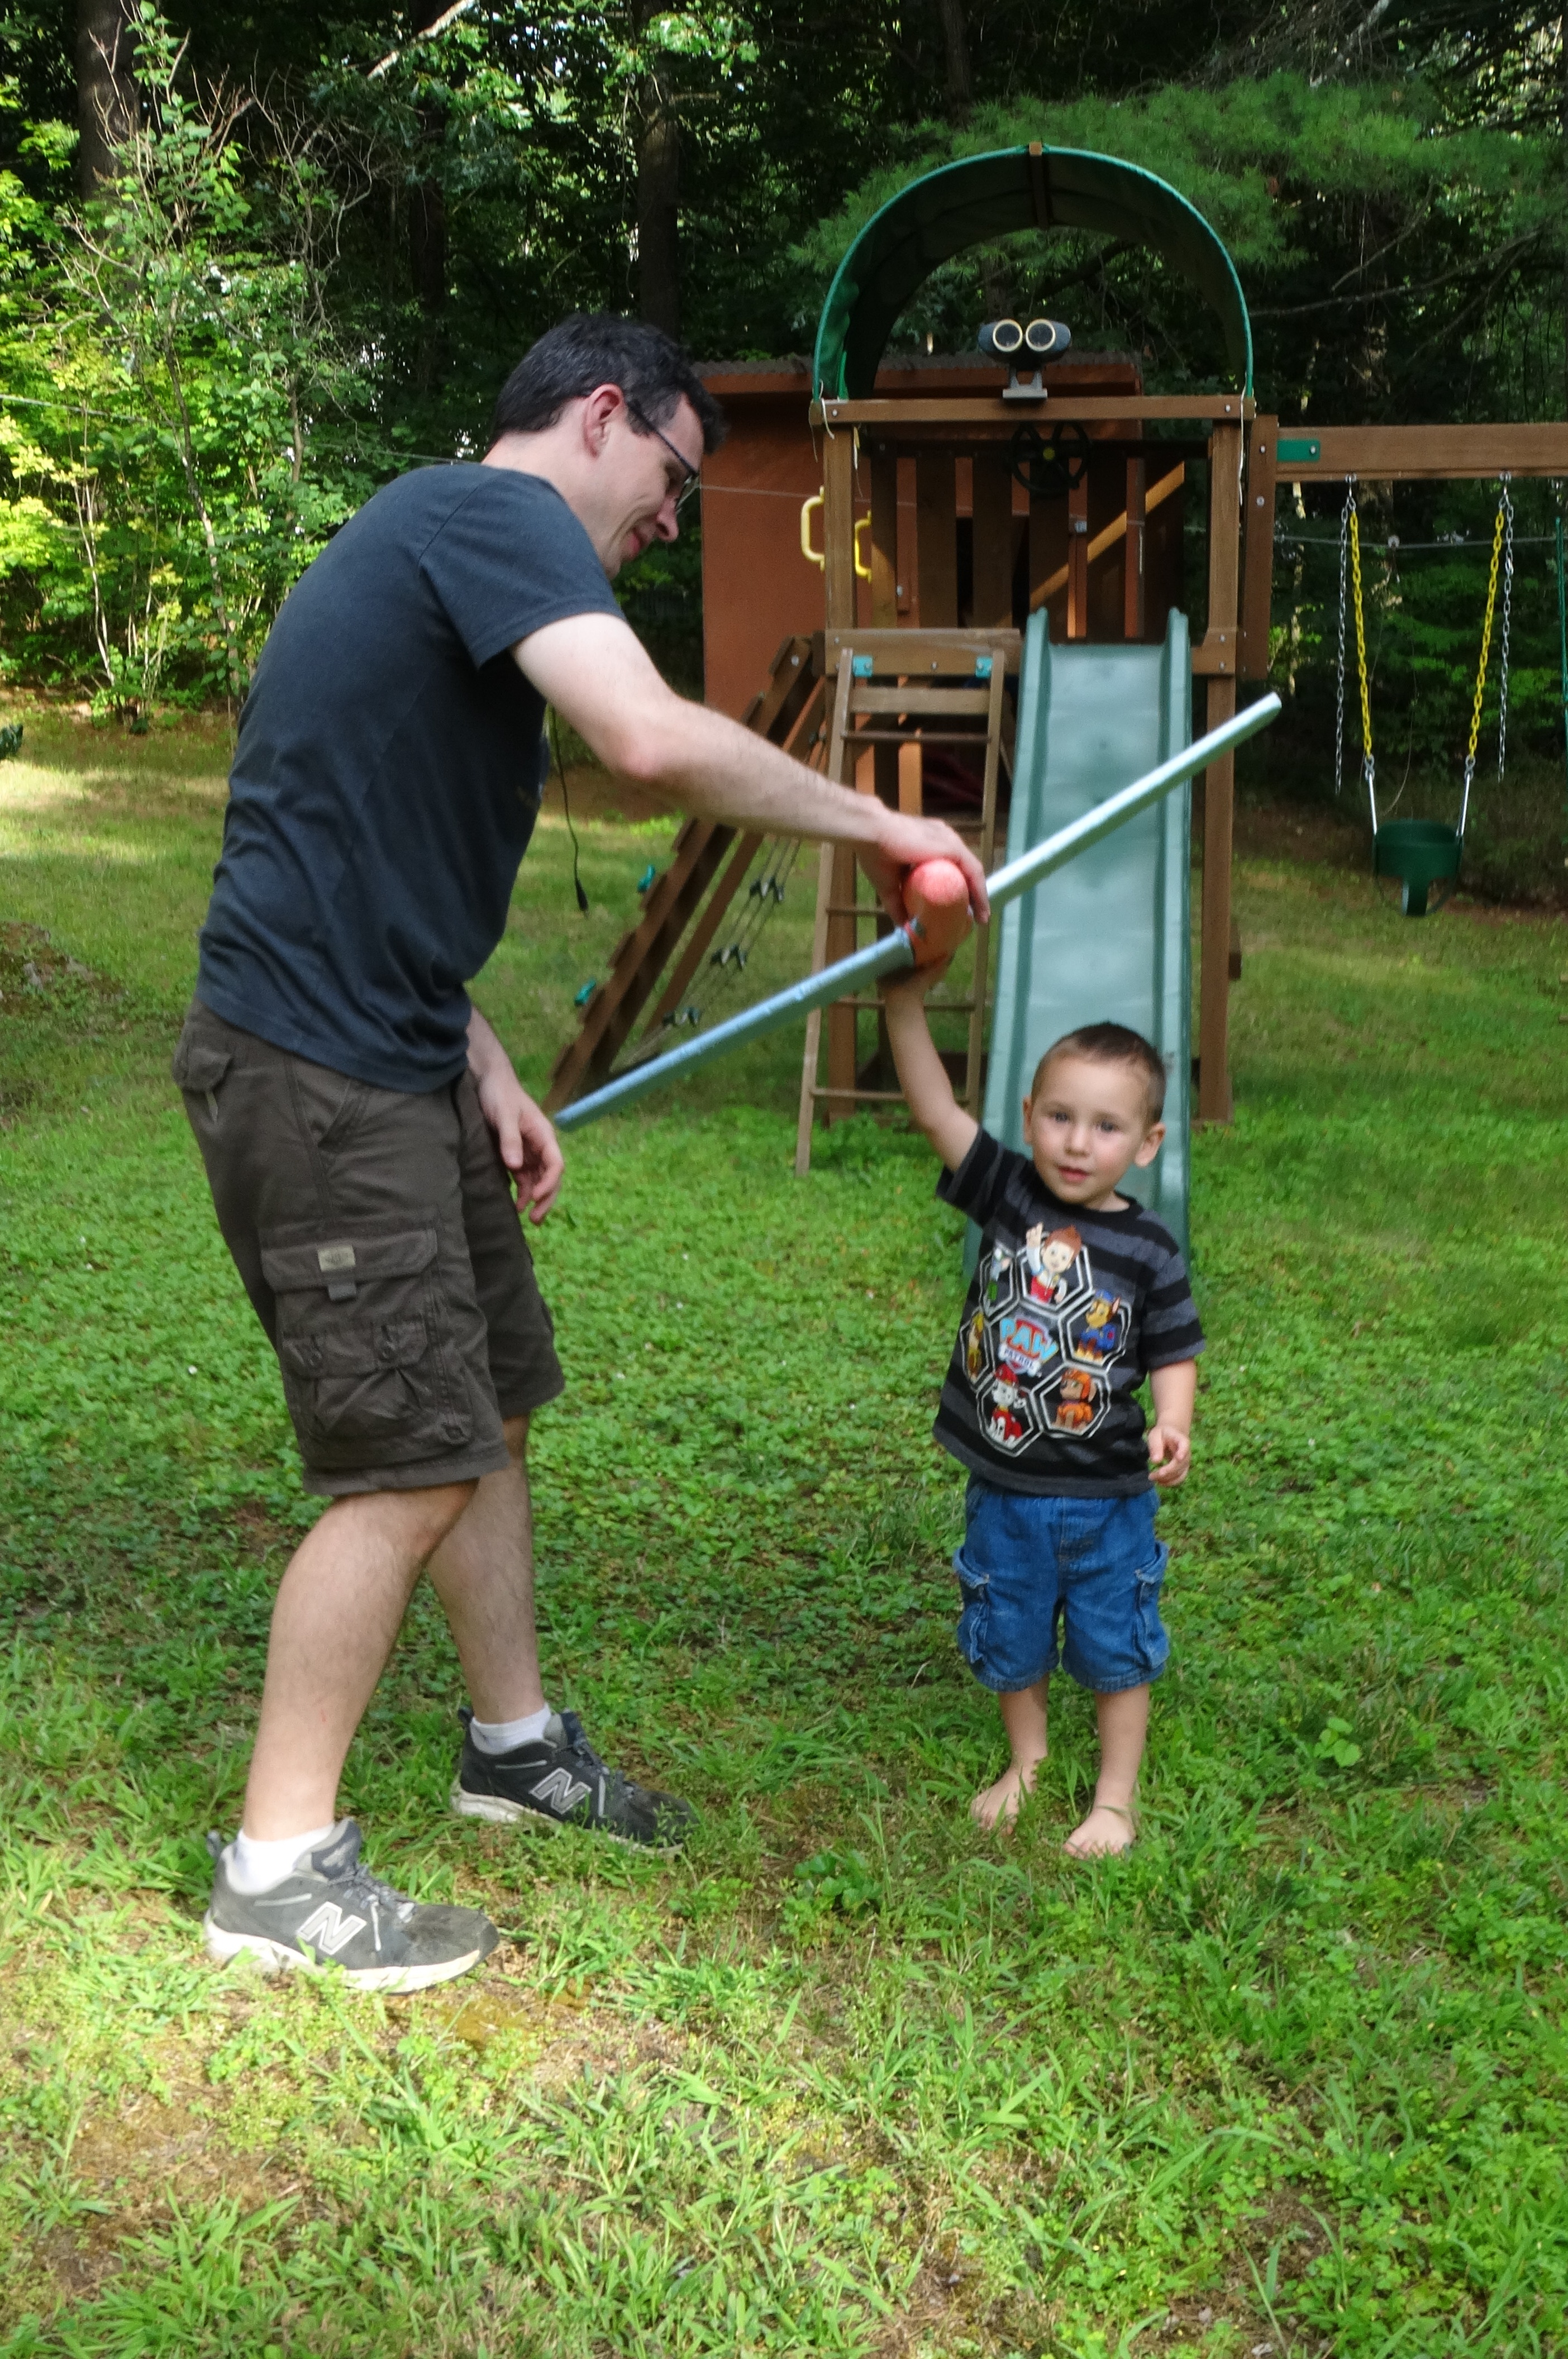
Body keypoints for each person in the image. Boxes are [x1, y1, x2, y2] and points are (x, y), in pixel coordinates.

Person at [175, 313, 989, 1991]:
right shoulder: (496, 514)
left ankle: (513, 1746)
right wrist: (885, 822)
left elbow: (341, 838)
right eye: (674, 481)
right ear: (602, 416)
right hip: (317, 1078)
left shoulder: (440, 544)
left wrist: (479, 1057)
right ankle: (275, 1873)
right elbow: (650, 738)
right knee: (406, 1464)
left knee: (488, 1406)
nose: (671, 524)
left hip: (399, 1052)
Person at [881, 980, 1202, 1855]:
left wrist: (1173, 1421)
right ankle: (1028, 1761)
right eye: (1059, 1116)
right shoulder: (1009, 1195)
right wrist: (904, 1002)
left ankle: (1115, 1802)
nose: (1077, 1141)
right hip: (1006, 1488)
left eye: (1107, 1126)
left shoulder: (1150, 1248)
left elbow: (1175, 1348)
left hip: (1109, 1501)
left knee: (1117, 1647)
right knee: (1012, 1632)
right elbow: (934, 1110)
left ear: (1148, 1143)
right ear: (1028, 1118)